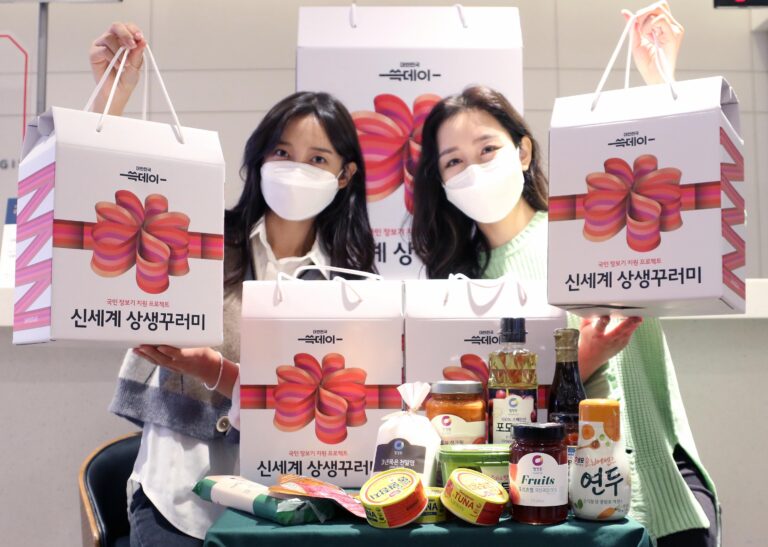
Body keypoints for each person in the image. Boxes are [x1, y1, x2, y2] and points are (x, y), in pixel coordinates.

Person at [411, 4, 718, 546]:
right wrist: (581, 362)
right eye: (453, 162)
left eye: (487, 149)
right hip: (545, 507)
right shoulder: (458, 287)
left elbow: (672, 203)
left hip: (654, 488)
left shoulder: (588, 228)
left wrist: (660, 85)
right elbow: (492, 421)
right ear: (440, 181)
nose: (473, 169)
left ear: (523, 151)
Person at [89, 23, 375, 546]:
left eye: (318, 159)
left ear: (345, 175)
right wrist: (113, 100)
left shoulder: (351, 281)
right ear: (259, 158)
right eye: (282, 152)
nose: (296, 169)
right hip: (177, 495)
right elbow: (115, 194)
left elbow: (338, 405)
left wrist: (218, 371)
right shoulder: (202, 239)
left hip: (290, 503)